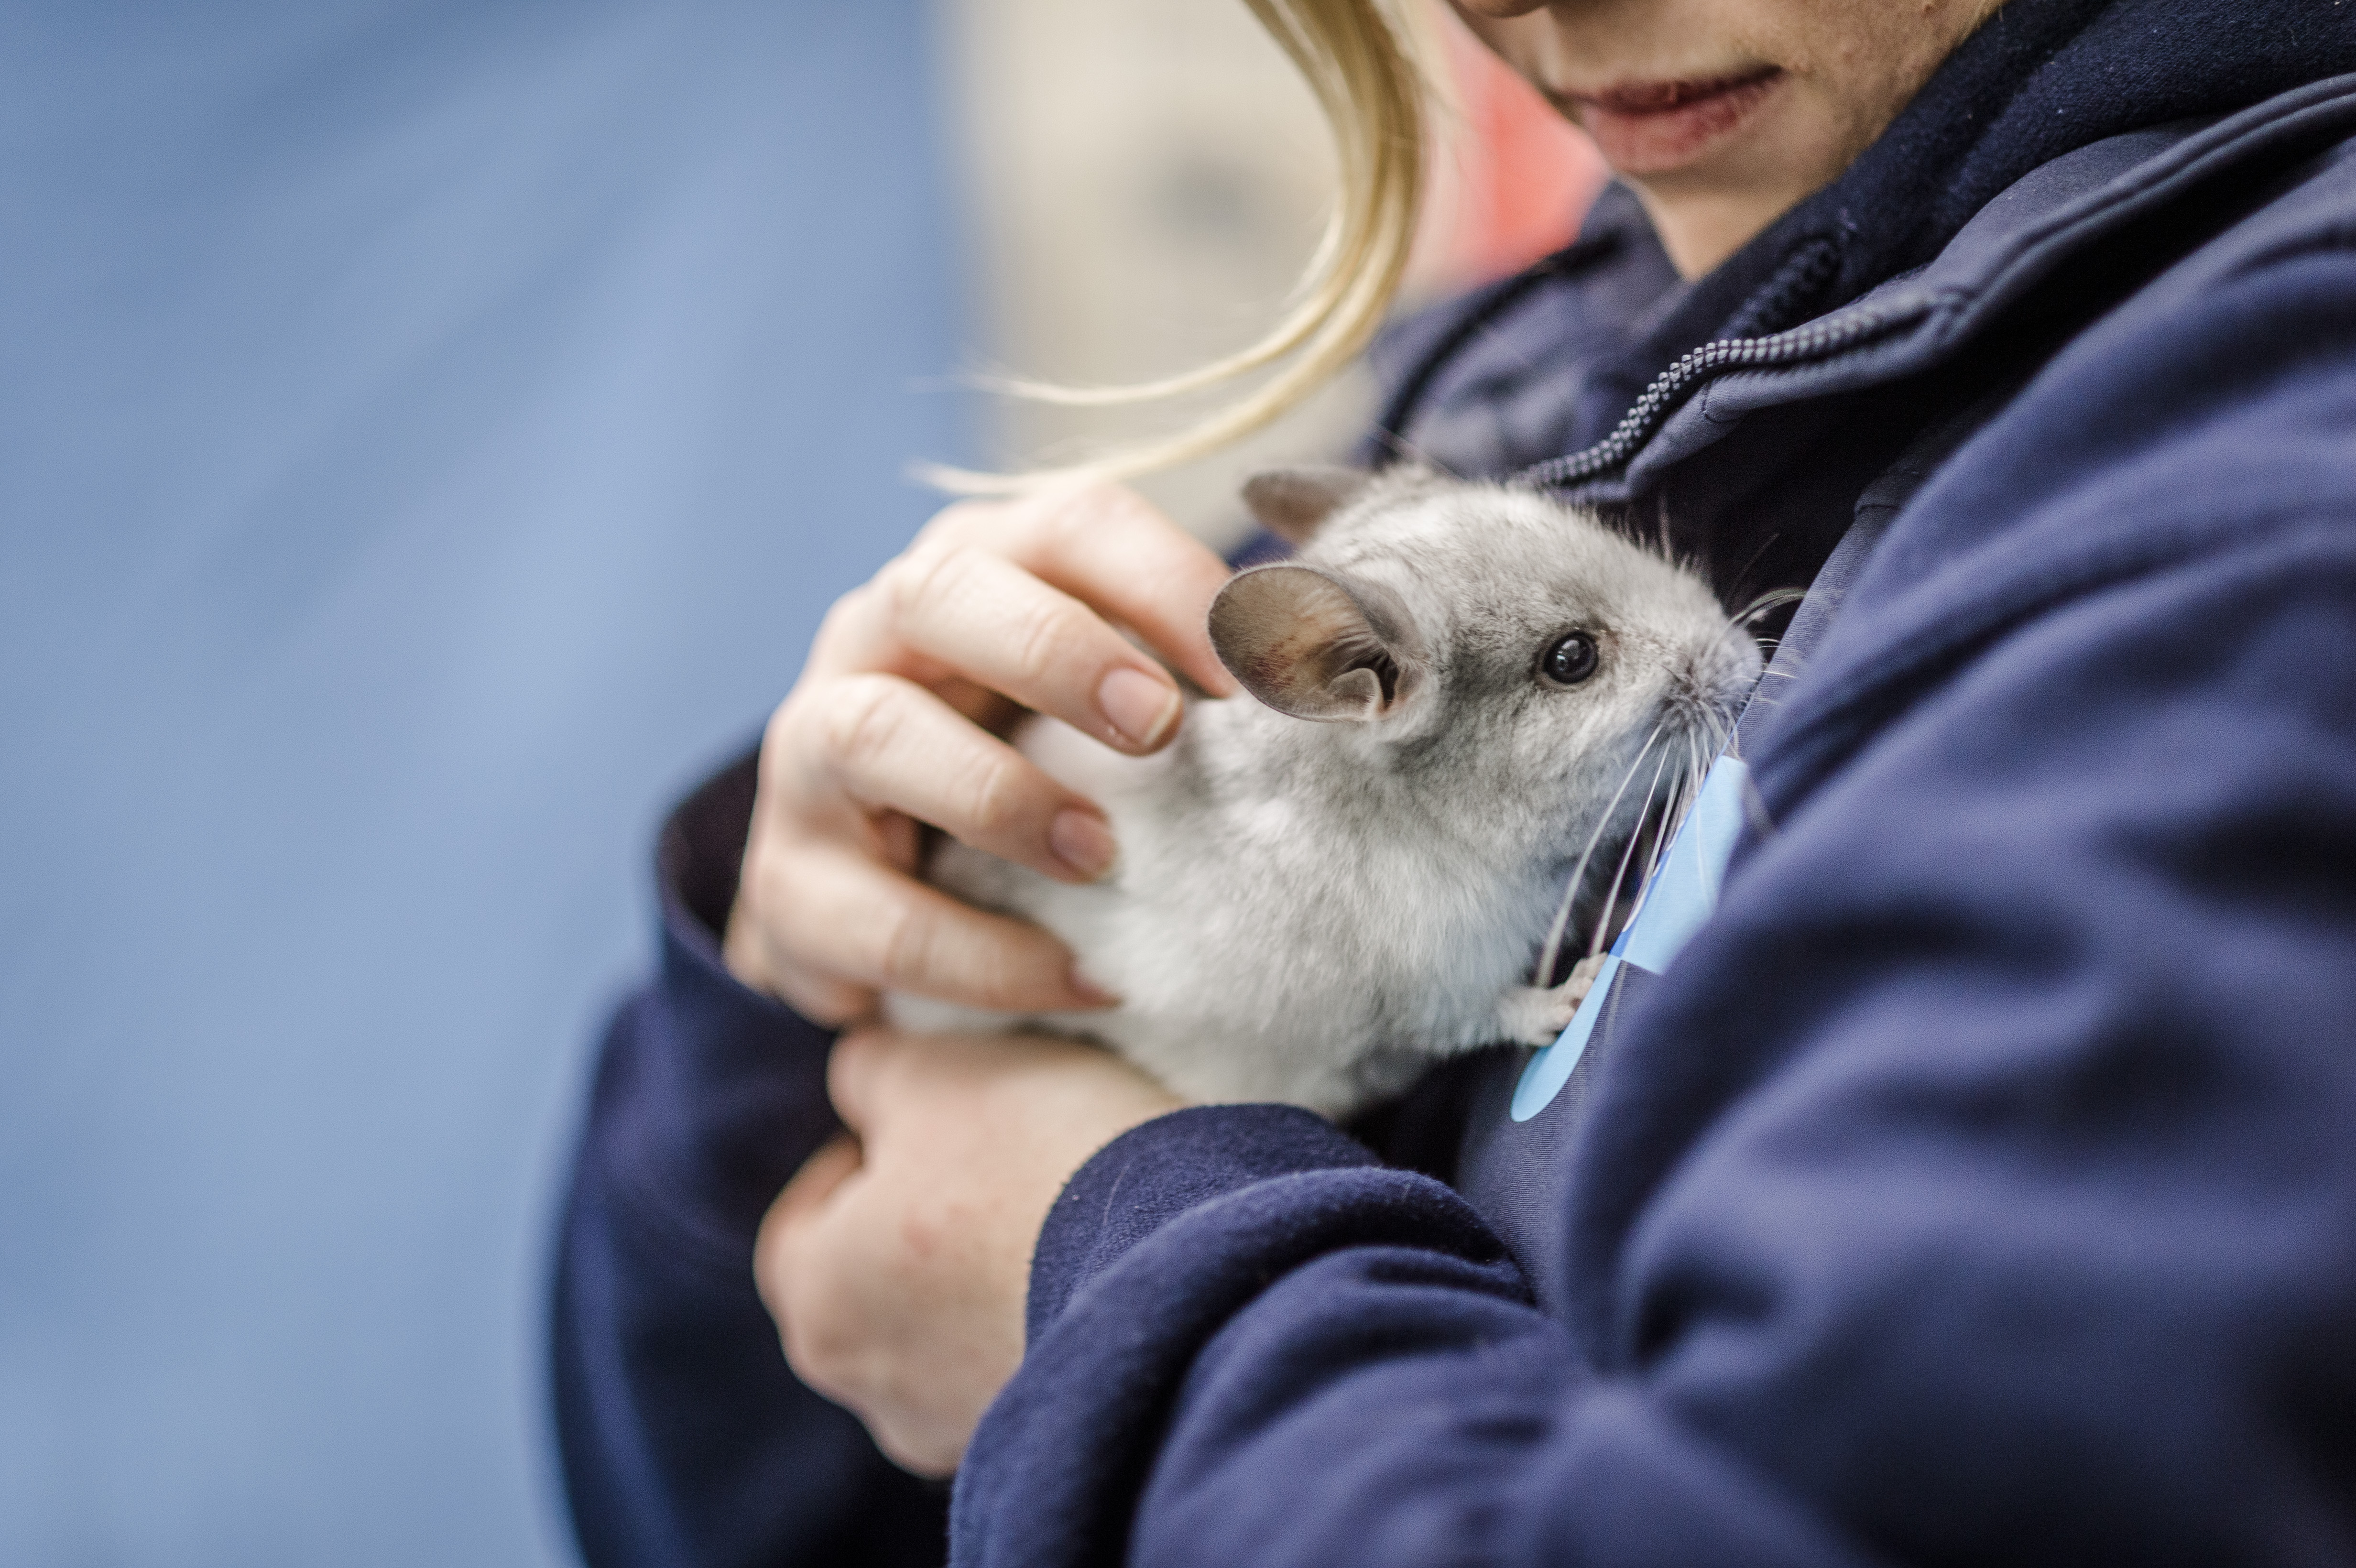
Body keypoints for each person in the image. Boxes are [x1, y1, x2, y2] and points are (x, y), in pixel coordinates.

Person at [551, 0, 2356, 1562]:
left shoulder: (2248, 505)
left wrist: (1116, 1289)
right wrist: (792, 974)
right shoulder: (1537, 371)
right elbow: (732, 1513)